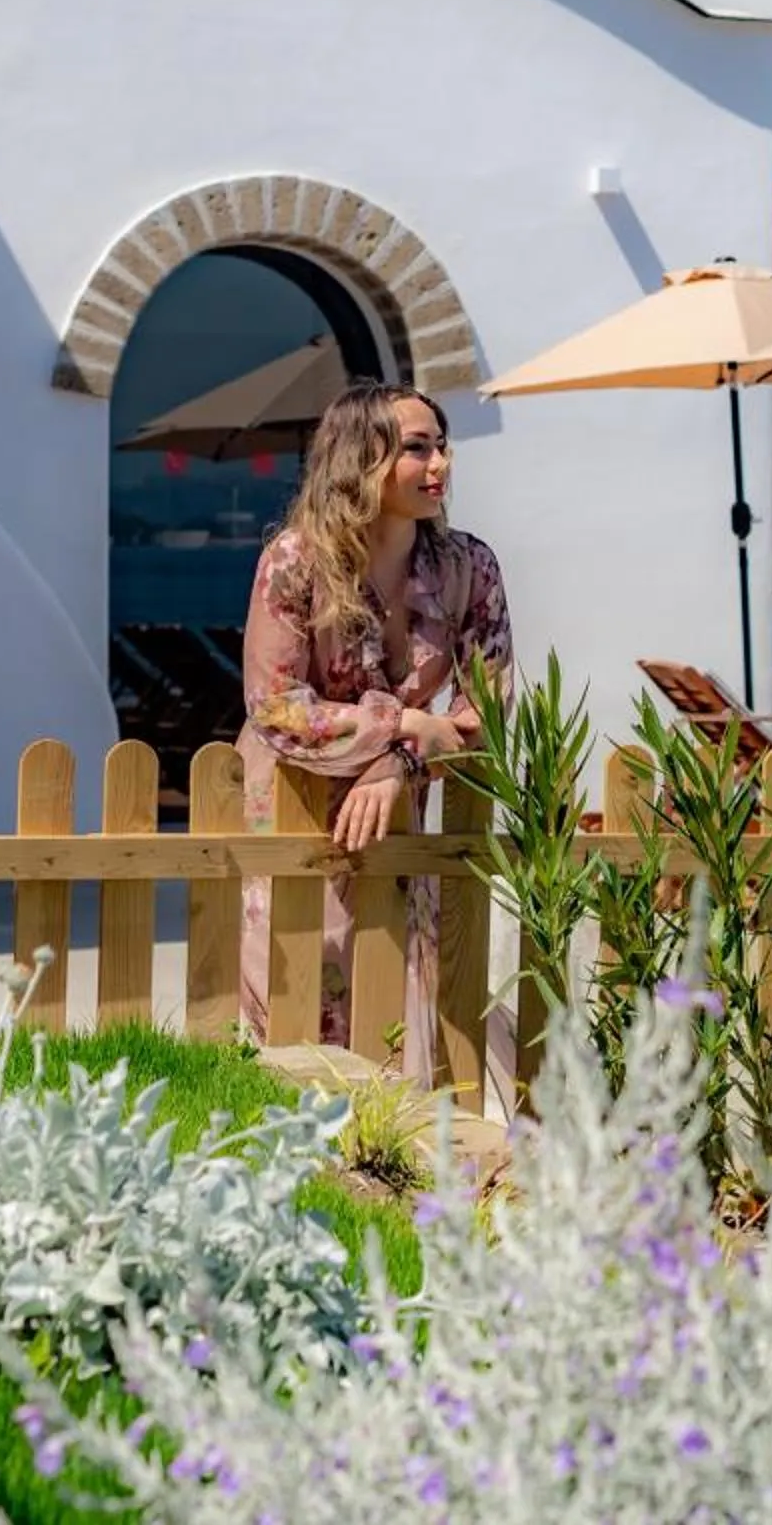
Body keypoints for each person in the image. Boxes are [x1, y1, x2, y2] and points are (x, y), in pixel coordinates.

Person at [238, 381, 513, 1050]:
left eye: (442, 446)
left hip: (398, 812)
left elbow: (488, 714)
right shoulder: (296, 563)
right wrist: (403, 723)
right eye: (417, 449)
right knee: (294, 1009)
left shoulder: (467, 569)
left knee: (393, 1011)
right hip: (294, 806)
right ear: (359, 459)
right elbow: (277, 709)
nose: (440, 465)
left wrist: (401, 757)